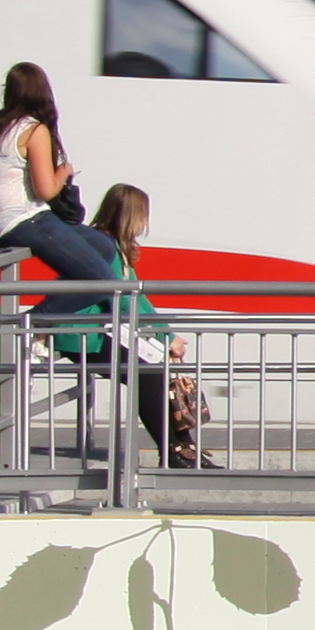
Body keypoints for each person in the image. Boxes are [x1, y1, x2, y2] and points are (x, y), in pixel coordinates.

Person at [69, 181, 209, 467]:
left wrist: (165, 336)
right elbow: (125, 299)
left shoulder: (112, 247)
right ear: (132, 215)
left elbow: (137, 299)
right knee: (147, 373)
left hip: (98, 331)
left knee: (153, 371)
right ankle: (174, 450)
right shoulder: (105, 248)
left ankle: (182, 447)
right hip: (83, 333)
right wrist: (166, 337)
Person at [0, 63, 117, 296]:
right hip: (26, 220)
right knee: (105, 283)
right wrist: (64, 171)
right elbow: (46, 191)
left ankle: (53, 311)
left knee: (104, 247)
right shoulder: (33, 130)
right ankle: (37, 322)